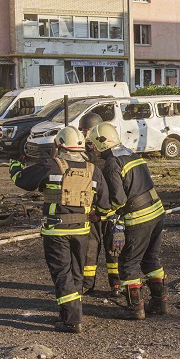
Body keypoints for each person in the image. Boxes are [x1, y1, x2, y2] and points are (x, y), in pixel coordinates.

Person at [10, 126, 107, 333]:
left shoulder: (50, 165)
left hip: (56, 230)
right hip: (82, 230)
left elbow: (22, 180)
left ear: (59, 145)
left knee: (62, 273)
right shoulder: (94, 170)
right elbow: (105, 202)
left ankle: (72, 320)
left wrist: (15, 165)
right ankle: (71, 313)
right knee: (76, 272)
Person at [112, 143, 167, 320]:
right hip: (157, 211)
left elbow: (118, 199)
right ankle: (159, 303)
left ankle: (135, 309)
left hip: (139, 217)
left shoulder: (113, 163)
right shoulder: (131, 154)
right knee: (151, 258)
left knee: (129, 262)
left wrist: (100, 212)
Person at [78, 113, 115, 294]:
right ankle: (87, 283)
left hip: (110, 210)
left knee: (114, 247)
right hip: (92, 209)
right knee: (90, 247)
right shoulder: (81, 153)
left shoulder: (110, 154)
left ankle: (116, 285)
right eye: (83, 131)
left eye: (88, 131)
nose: (85, 135)